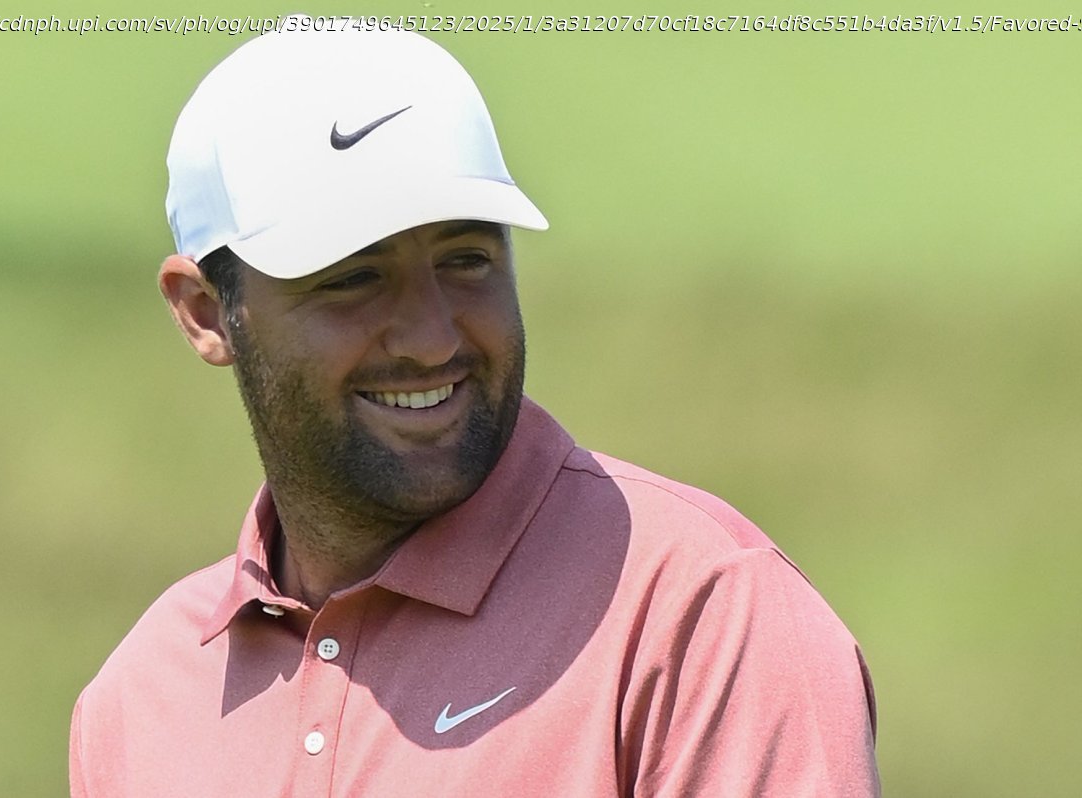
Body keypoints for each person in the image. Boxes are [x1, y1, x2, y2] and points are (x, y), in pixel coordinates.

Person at [69, 19, 880, 798]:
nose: (431, 340)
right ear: (206, 312)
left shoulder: (701, 616)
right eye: (353, 278)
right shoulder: (138, 702)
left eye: (467, 259)